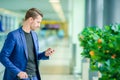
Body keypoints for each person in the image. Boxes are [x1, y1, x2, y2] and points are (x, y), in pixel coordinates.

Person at [0, 8, 54, 80]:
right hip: (19, 77)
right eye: (38, 22)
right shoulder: (14, 35)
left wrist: (44, 54)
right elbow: (3, 57)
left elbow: (33, 56)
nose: (39, 25)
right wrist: (18, 72)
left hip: (34, 76)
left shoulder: (34, 35)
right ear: (31, 19)